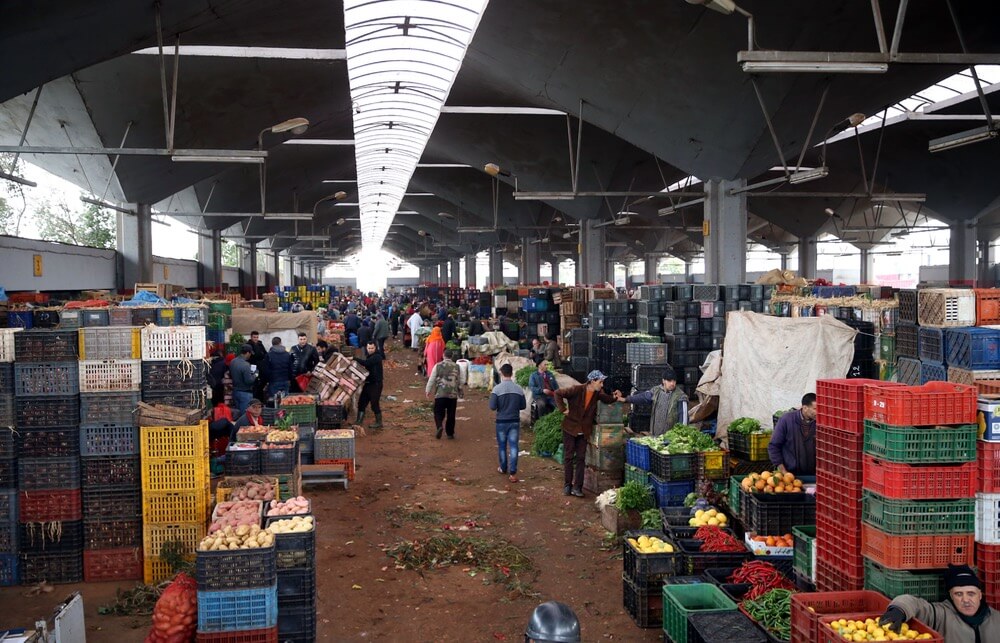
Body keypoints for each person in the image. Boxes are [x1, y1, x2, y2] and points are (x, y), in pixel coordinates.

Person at [880, 564, 999, 641]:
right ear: (951, 596)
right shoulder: (940, 614)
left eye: (971, 593)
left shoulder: (996, 619)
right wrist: (899, 610)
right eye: (959, 594)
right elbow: (912, 602)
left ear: (980, 595)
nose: (966, 599)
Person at [553, 370, 617, 497]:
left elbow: (607, 399)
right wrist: (563, 409)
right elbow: (557, 393)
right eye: (600, 382)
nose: (602, 385)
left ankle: (578, 487)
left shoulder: (597, 393)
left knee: (581, 458)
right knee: (569, 457)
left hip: (584, 430)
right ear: (592, 381)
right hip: (570, 428)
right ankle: (567, 485)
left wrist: (615, 396)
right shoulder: (576, 389)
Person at [615, 368, 688, 436]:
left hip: (672, 438)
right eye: (669, 381)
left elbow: (684, 419)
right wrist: (626, 399)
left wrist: (680, 436)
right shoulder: (656, 391)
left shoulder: (680, 397)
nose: (672, 383)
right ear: (663, 381)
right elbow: (643, 397)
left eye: (674, 381)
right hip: (656, 436)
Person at [490, 363, 526, 482]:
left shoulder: (497, 389)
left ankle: (503, 468)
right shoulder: (519, 389)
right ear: (512, 373)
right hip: (514, 421)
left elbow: (492, 406)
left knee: (502, 446)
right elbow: (523, 406)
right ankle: (513, 473)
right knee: (514, 446)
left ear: (501, 373)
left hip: (501, 421)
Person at [768, 392, 817, 476]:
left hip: (813, 474)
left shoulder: (820, 422)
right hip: (790, 473)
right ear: (805, 408)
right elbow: (774, 446)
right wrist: (784, 472)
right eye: (815, 409)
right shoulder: (786, 420)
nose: (819, 412)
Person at [426, 349, 463, 440]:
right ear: (452, 356)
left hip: (440, 394)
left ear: (443, 355)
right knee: (451, 414)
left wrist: (428, 390)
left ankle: (439, 426)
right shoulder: (457, 366)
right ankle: (450, 433)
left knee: (438, 412)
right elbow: (460, 380)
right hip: (452, 395)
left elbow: (432, 379)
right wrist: (460, 390)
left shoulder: (437, 366)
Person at [354, 340, 384, 428]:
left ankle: (379, 422)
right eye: (369, 348)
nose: (370, 350)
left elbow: (366, 363)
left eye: (372, 348)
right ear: (366, 348)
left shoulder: (377, 357)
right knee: (362, 402)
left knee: (374, 403)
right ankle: (359, 421)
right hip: (368, 383)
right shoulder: (369, 356)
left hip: (376, 384)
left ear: (375, 348)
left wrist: (354, 359)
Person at [230, 344, 256, 415]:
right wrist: (255, 375)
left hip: (235, 391)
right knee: (245, 416)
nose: (250, 355)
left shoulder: (233, 362)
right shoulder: (246, 365)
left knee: (237, 414)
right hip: (245, 393)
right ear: (247, 353)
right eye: (250, 353)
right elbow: (249, 381)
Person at [247, 330, 269, 401]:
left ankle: (260, 398)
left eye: (257, 337)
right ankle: (254, 398)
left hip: (261, 366)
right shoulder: (248, 345)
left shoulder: (260, 344)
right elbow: (253, 356)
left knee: (262, 382)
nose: (256, 339)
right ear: (251, 337)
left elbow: (265, 353)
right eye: (254, 337)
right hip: (253, 367)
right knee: (254, 383)